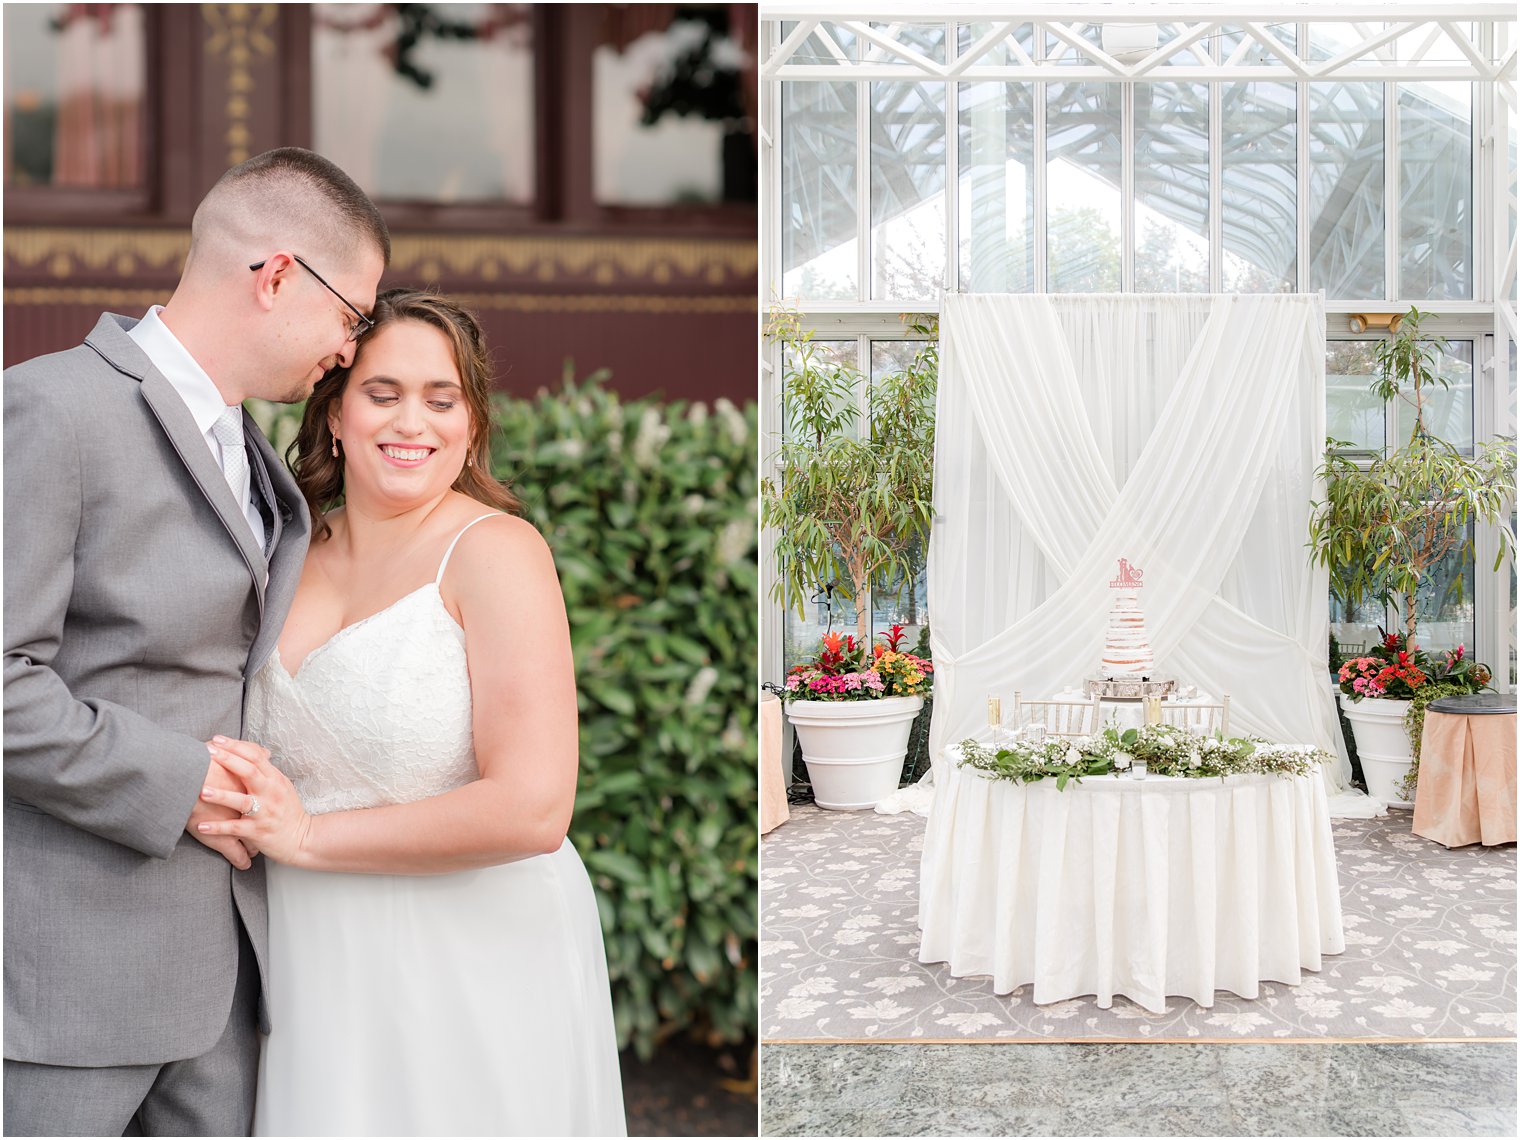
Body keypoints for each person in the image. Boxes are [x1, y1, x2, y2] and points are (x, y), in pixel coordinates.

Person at [3, 148, 389, 1135]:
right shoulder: (54, 407)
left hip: (225, 973)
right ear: (275, 275)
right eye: (351, 315)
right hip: (65, 988)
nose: (350, 349)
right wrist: (187, 785)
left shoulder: (254, 455)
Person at [196, 289, 627, 1136]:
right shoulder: (283, 551)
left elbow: (535, 807)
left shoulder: (498, 553)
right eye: (383, 393)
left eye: (442, 399)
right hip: (316, 952)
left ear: (471, 425)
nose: (412, 422)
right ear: (335, 415)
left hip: (475, 951)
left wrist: (310, 837)